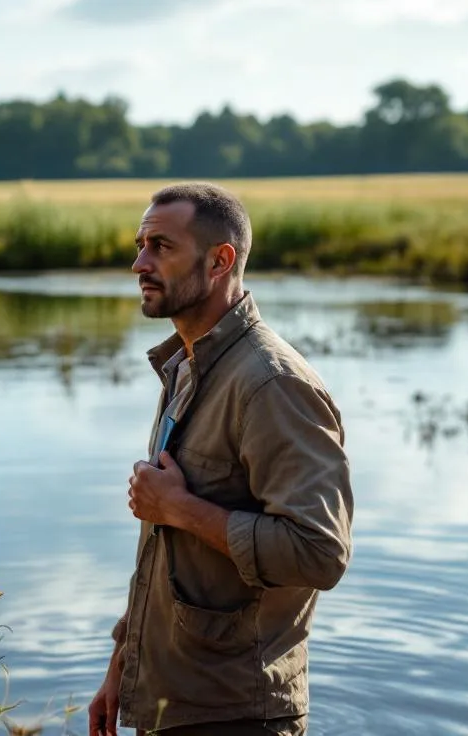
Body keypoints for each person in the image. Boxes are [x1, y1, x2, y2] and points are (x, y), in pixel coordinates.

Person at [88, 183, 354, 736]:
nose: (140, 263)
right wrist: (122, 663)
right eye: (140, 245)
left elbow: (319, 552)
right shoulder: (187, 366)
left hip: (236, 715)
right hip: (170, 699)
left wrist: (182, 509)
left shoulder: (272, 384)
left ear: (220, 260)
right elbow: (169, 551)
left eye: (161, 246)